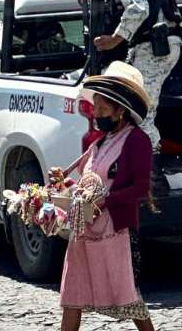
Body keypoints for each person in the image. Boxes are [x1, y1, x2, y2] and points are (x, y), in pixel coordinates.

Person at [56, 61, 156, 331]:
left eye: (102, 109)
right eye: (95, 107)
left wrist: (105, 201)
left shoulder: (137, 141)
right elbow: (88, 181)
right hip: (84, 230)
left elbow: (140, 188)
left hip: (116, 232)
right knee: (72, 296)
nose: (96, 114)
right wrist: (65, 185)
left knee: (129, 297)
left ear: (119, 110)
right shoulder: (97, 143)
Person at [86, 0, 181, 151]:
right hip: (152, 45)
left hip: (154, 47)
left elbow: (138, 10)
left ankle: (151, 169)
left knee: (141, 110)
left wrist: (114, 40)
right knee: (131, 105)